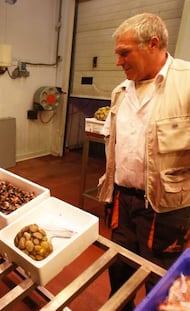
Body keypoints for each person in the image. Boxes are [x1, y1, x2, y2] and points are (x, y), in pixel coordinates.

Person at [97, 13, 190, 310]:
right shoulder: (120, 92)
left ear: (153, 44)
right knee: (120, 268)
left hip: (166, 210)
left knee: (159, 281)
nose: (118, 62)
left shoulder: (187, 84)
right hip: (123, 201)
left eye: (124, 53)